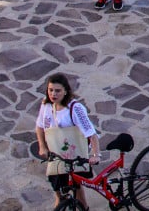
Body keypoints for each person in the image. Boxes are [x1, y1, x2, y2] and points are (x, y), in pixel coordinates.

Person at [34, 73, 100, 210]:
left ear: (65, 91)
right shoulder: (46, 105)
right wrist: (42, 146)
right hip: (56, 155)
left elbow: (91, 133)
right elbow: (39, 127)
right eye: (50, 90)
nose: (53, 94)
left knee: (77, 187)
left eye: (57, 91)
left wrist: (95, 154)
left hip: (74, 156)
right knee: (57, 190)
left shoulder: (75, 109)